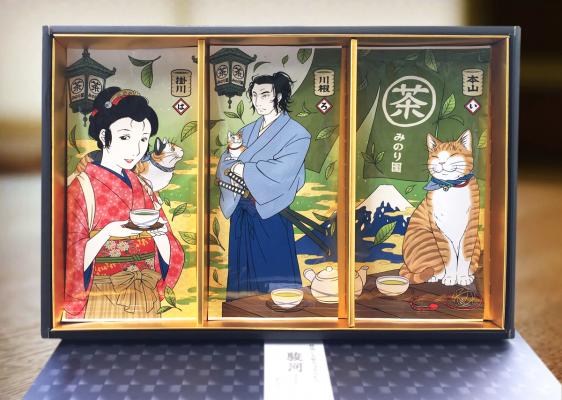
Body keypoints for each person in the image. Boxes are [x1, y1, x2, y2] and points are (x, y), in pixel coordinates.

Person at [64, 87, 184, 319]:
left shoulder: (143, 186)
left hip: (146, 293)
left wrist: (160, 236)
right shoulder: (82, 187)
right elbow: (71, 255)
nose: (136, 149)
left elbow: (172, 248)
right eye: (125, 137)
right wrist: (107, 233)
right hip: (103, 295)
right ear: (103, 136)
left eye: (143, 139)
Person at [216, 72, 311, 300]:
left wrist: (242, 168)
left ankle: (282, 313)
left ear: (279, 96)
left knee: (275, 273)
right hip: (242, 210)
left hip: (271, 211)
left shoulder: (297, 134)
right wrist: (235, 162)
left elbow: (283, 172)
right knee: (242, 280)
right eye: (255, 95)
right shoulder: (247, 130)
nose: (258, 101)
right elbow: (225, 161)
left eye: (265, 94)